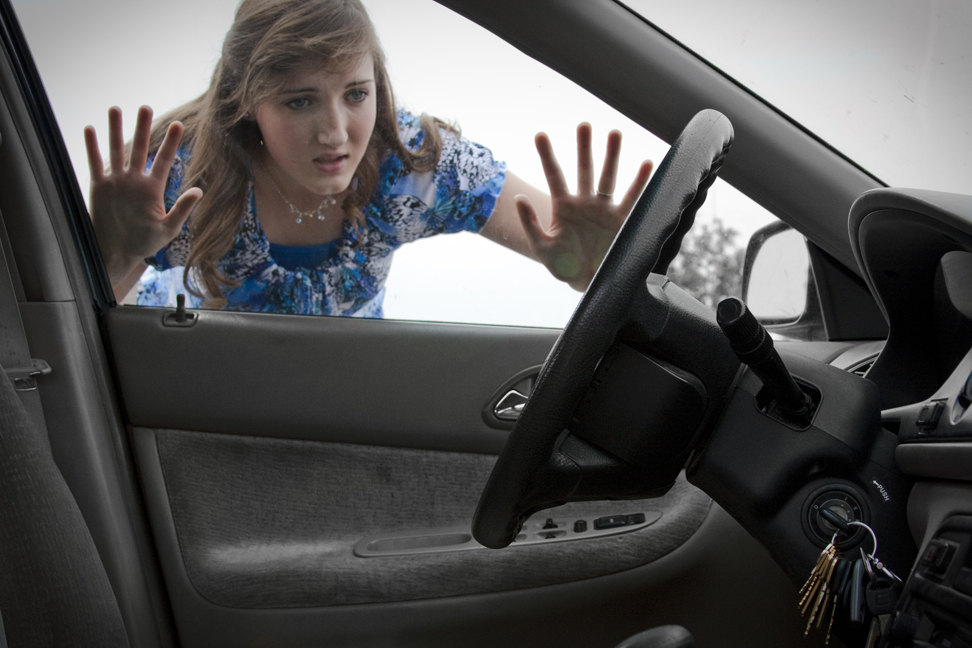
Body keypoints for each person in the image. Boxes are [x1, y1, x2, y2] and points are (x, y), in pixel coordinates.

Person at [85, 0, 653, 317]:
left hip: (348, 395)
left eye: (355, 94)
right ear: (246, 101)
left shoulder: (414, 165)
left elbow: (580, 255)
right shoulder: (180, 177)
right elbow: (70, 335)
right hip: (192, 394)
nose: (336, 133)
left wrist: (599, 269)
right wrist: (113, 257)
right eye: (300, 100)